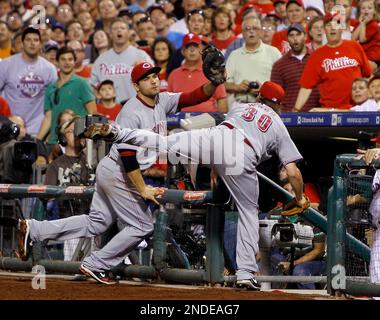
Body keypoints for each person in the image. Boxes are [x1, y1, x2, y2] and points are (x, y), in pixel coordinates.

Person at [85, 80, 308, 290]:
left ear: (259, 96)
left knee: (164, 143)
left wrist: (215, 165)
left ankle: (117, 132)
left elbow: (228, 139)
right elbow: (293, 172)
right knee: (248, 211)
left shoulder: (241, 106)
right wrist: (299, 197)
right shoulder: (278, 124)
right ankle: (246, 274)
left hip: (216, 137)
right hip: (242, 153)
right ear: (279, 104)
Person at [293, 12, 373, 111]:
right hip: (330, 111)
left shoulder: (354, 46)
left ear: (342, 28)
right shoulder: (317, 55)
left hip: (357, 109)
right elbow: (306, 87)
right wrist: (296, 109)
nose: (333, 28)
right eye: (328, 25)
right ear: (324, 30)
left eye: (336, 24)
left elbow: (368, 76)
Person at [0, 27, 57, 136]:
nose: (32, 43)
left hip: (38, 129)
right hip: (9, 128)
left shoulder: (49, 69)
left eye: (36, 40)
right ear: (22, 43)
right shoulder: (6, 65)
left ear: (40, 44)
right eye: (28, 40)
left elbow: (54, 102)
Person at [37, 47, 97, 145]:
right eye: (63, 59)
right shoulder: (51, 88)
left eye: (70, 59)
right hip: (54, 142)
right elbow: (48, 118)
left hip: (76, 141)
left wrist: (87, 140)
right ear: (57, 62)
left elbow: (92, 113)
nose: (67, 62)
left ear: (74, 62)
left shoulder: (82, 83)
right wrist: (38, 140)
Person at [90, 18, 153, 104]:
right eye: (115, 29)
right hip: (110, 109)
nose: (119, 30)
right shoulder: (101, 59)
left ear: (128, 33)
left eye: (122, 28)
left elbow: (153, 81)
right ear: (111, 34)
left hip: (137, 106)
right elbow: (93, 87)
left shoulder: (141, 55)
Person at [225, 16, 281, 104]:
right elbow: (225, 84)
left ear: (261, 31)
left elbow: (281, 83)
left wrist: (264, 89)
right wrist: (238, 87)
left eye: (255, 28)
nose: (251, 31)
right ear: (242, 33)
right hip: (240, 104)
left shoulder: (273, 52)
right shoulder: (234, 55)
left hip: (266, 104)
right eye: (247, 29)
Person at [167, 33, 228, 112]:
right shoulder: (173, 74)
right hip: (180, 121)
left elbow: (221, 99)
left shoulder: (213, 71)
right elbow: (169, 103)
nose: (192, 50)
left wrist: (222, 121)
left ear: (201, 50)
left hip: (209, 121)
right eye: (188, 47)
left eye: (195, 46)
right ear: (182, 51)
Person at [270, 24, 320, 112]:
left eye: (298, 34)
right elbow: (275, 96)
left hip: (317, 115)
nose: (295, 38)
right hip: (290, 117)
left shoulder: (317, 59)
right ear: (287, 39)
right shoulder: (279, 65)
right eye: (291, 35)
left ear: (305, 36)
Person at [352, 0, 380, 68]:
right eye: (363, 8)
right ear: (360, 11)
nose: (366, 10)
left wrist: (363, 23)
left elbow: (362, 39)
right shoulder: (359, 24)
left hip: (373, 57)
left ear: (374, 11)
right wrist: (361, 23)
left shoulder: (374, 25)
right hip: (364, 55)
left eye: (369, 8)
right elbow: (353, 39)